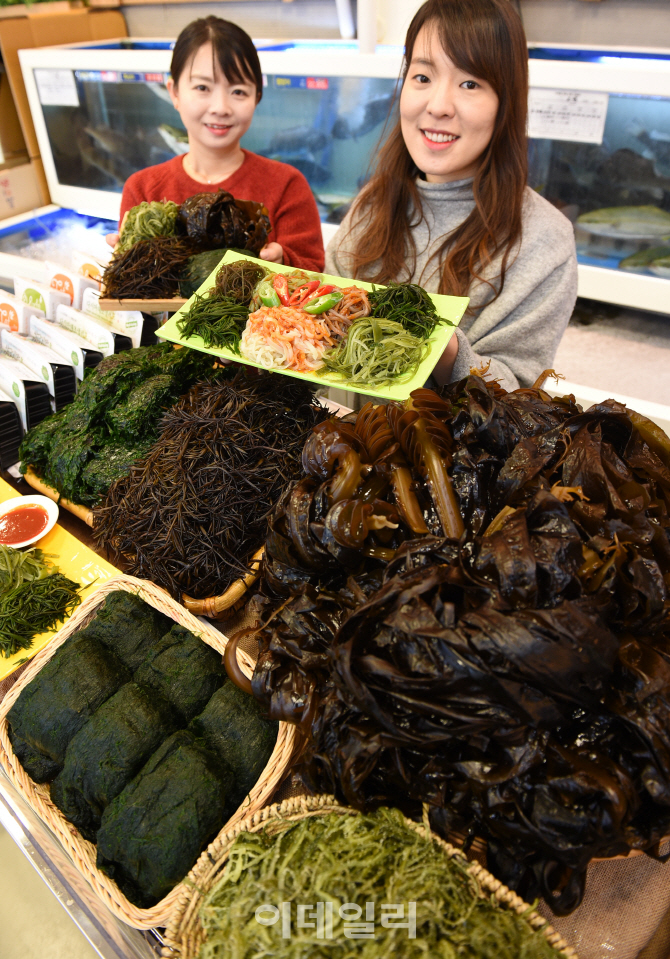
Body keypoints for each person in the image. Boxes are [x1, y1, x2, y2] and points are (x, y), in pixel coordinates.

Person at [325, 0, 577, 392]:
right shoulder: (372, 203)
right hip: (342, 447)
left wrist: (442, 347)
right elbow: (322, 344)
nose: (438, 106)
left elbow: (520, 397)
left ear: (505, 103)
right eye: (422, 77)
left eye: (470, 83)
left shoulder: (545, 239)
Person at [110, 17, 324, 271]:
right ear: (175, 92)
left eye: (238, 92)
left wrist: (284, 260)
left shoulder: (287, 185)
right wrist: (126, 265)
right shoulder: (143, 190)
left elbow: (313, 268)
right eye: (202, 87)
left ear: (257, 97)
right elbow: (139, 299)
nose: (220, 108)